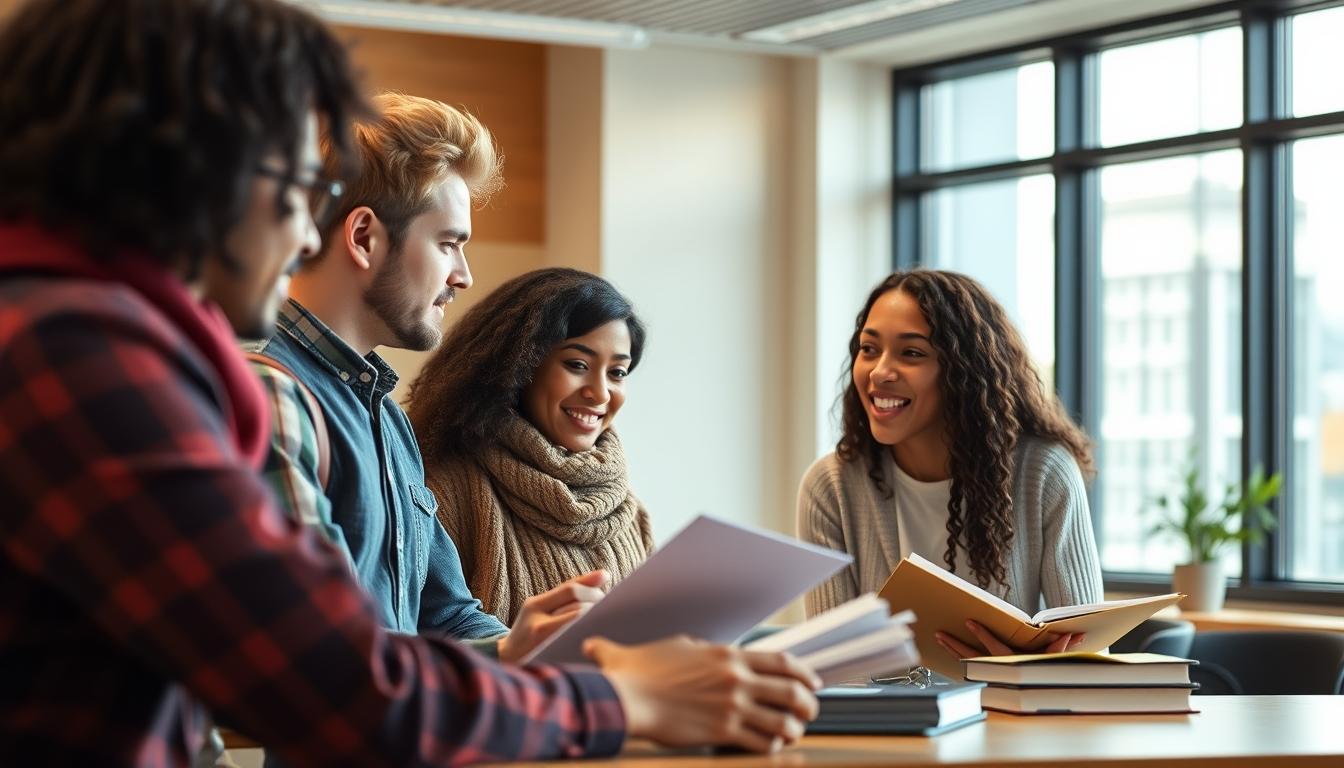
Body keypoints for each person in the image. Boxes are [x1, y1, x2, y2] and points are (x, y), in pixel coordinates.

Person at [0, 1, 819, 764]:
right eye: (294, 185)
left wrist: (519, 658)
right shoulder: (78, 354)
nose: (299, 229)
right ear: (205, 169)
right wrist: (618, 700)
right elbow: (333, 682)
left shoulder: (77, 333)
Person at [248, 93, 602, 661]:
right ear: (364, 237)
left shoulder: (385, 416)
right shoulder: (270, 397)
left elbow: (446, 617)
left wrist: (537, 647)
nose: (463, 275)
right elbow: (324, 650)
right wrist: (509, 659)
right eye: (448, 244)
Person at [797, 269, 1104, 660]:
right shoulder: (830, 487)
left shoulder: (1044, 473)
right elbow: (832, 669)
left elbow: (1089, 659)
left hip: (1010, 717)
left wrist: (1011, 672)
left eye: (911, 353)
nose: (879, 372)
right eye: (869, 349)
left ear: (964, 373)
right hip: (882, 723)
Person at [406, 268, 655, 624]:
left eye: (617, 373)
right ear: (518, 366)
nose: (600, 393)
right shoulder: (444, 491)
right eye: (577, 364)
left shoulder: (628, 509)